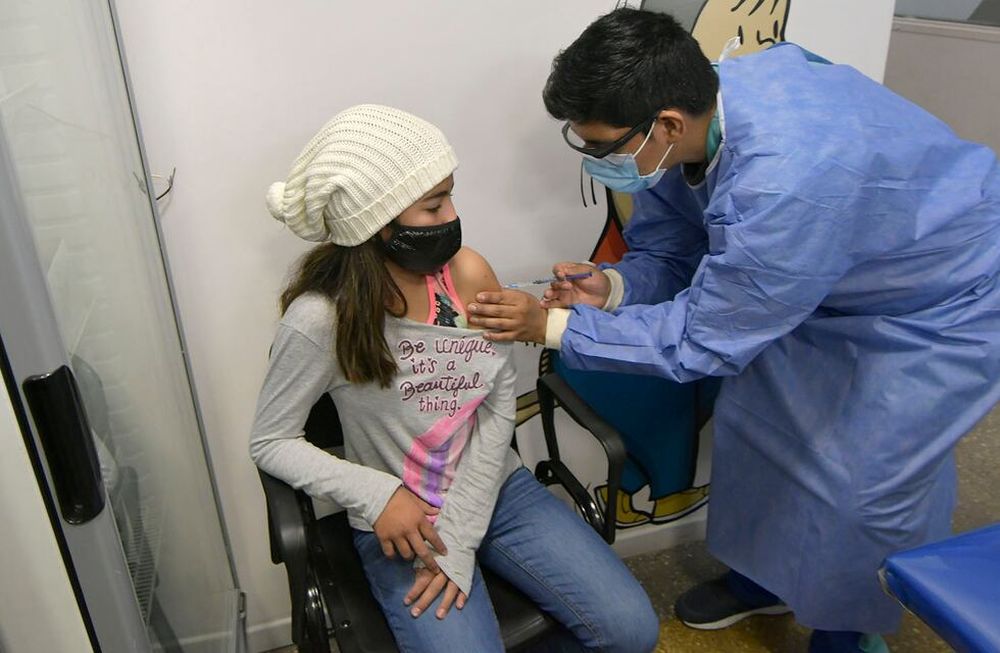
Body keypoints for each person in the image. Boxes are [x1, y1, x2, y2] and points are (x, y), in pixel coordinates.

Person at [466, 9, 1000, 653]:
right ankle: (763, 579)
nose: (596, 162)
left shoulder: (787, 182)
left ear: (665, 124)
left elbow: (702, 339)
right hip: (820, 282)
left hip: (936, 300)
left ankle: (845, 628)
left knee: (865, 480)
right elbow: (678, 245)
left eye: (603, 147)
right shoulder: (698, 118)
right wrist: (613, 288)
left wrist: (551, 327)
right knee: (760, 426)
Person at [249, 104, 659, 653]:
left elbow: (495, 404)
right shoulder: (322, 319)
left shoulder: (465, 273)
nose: (452, 215)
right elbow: (271, 440)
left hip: (498, 489)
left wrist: (462, 535)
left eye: (450, 195)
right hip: (404, 521)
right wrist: (378, 494)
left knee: (632, 631)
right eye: (434, 204)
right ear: (377, 222)